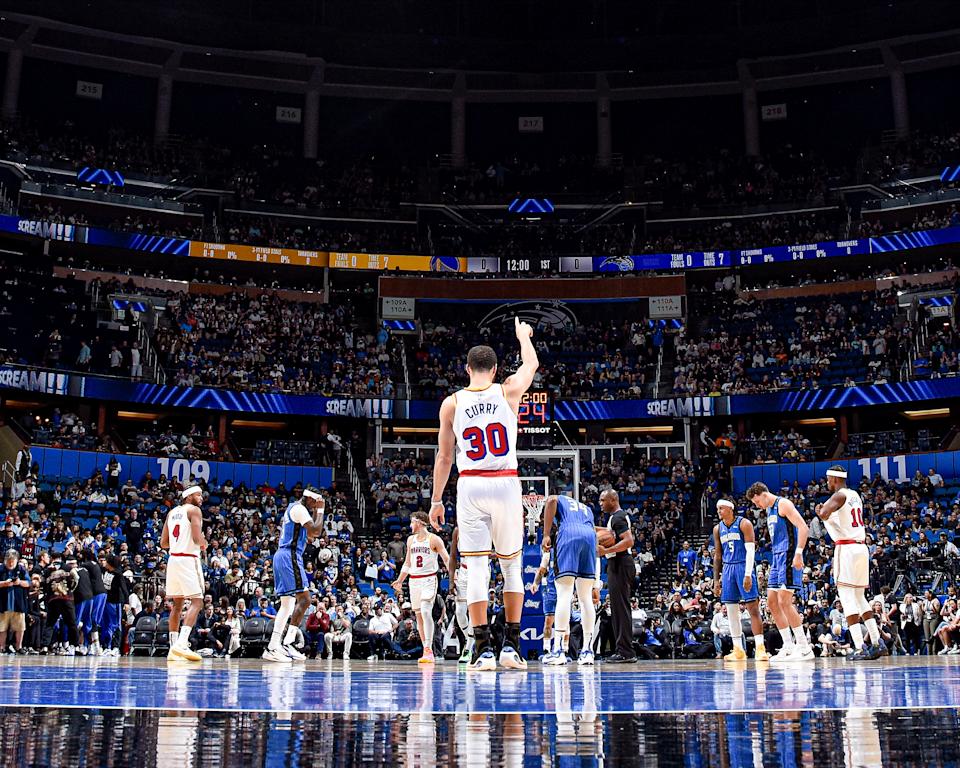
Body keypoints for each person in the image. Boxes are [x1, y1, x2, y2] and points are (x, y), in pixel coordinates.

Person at [429, 316, 538, 671]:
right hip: (506, 481)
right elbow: (532, 363)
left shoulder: (452, 403)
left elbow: (445, 457)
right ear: (494, 369)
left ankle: (482, 650)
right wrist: (523, 336)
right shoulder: (507, 389)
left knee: (475, 568)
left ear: (467, 369)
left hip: (470, 483)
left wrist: (435, 501)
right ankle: (512, 647)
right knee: (512, 566)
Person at [816, 466, 886, 660]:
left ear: (836, 479)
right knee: (860, 597)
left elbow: (823, 514)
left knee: (847, 598)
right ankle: (876, 641)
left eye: (829, 479)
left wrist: (820, 510)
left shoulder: (839, 496)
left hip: (846, 549)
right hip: (861, 547)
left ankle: (859, 646)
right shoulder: (855, 495)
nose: (827, 483)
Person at [747, 482, 814, 662]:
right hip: (776, 557)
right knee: (772, 602)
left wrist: (799, 553)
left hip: (789, 555)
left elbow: (803, 527)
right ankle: (789, 646)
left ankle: (804, 647)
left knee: (785, 602)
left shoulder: (783, 504)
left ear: (763, 494)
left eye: (756, 501)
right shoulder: (769, 510)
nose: (757, 505)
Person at [263, 488, 326, 664]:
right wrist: (320, 510)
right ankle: (283, 643)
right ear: (309, 499)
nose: (316, 506)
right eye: (315, 502)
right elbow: (315, 531)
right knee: (305, 600)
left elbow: (309, 535)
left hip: (284, 555)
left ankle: (277, 645)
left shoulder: (297, 508)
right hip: (289, 555)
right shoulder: (299, 509)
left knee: (288, 604)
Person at [540, 494, 599, 666]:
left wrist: (545, 534)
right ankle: (587, 651)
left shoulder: (561, 500)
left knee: (564, 593)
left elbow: (551, 501)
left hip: (569, 533)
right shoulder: (587, 509)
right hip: (589, 538)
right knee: (585, 597)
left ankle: (558, 650)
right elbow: (595, 538)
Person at [712, 499, 769, 662]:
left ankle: (760, 648)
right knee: (731, 611)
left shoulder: (744, 524)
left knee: (753, 608)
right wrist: (717, 579)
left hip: (743, 565)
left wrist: (748, 574)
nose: (718, 511)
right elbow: (718, 555)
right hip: (728, 568)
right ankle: (738, 649)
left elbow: (751, 550)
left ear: (731, 508)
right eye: (717, 509)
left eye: (721, 508)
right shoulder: (717, 529)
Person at [392, 510, 450, 664]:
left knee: (425, 610)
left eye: (412, 522)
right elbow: (407, 564)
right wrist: (399, 581)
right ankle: (426, 649)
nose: (410, 525)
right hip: (414, 581)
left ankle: (429, 648)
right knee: (419, 616)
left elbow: (446, 558)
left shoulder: (434, 539)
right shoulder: (411, 540)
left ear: (418, 522)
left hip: (429, 579)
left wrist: (453, 575)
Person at [160, 485, 207, 662]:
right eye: (198, 495)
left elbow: (163, 543)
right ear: (188, 497)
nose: (201, 498)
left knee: (177, 604)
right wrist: (204, 543)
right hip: (188, 558)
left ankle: (173, 648)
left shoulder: (171, 513)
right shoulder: (194, 510)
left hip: (173, 560)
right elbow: (196, 538)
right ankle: (181, 642)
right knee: (197, 601)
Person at [598, 489, 637, 663]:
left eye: (603, 500)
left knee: (621, 609)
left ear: (613, 500)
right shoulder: (616, 517)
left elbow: (628, 541)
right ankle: (623, 650)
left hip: (620, 562)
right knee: (619, 609)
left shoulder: (618, 517)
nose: (600, 503)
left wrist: (606, 550)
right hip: (620, 563)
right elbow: (611, 534)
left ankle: (626, 652)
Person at [449, 526, 474, 665]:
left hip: (480, 570)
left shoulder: (485, 524)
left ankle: (468, 648)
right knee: (459, 612)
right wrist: (451, 581)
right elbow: (453, 556)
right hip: (463, 572)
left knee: (474, 610)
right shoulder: (458, 530)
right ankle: (471, 640)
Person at [0, 550, 30, 653]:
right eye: (9, 561)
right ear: (5, 560)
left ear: (17, 560)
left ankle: (19, 647)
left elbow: (28, 583)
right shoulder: (0, 569)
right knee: (2, 627)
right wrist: (4, 583)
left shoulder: (21, 569)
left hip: (18, 603)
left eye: (13, 561)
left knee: (20, 627)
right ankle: (2, 647)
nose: (11, 563)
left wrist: (19, 582)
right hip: (3, 604)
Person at [530, 546, 557, 662]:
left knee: (564, 622)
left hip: (564, 587)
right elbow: (541, 570)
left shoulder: (568, 549)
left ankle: (563, 650)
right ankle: (547, 649)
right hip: (552, 589)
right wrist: (535, 583)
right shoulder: (549, 553)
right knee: (549, 621)